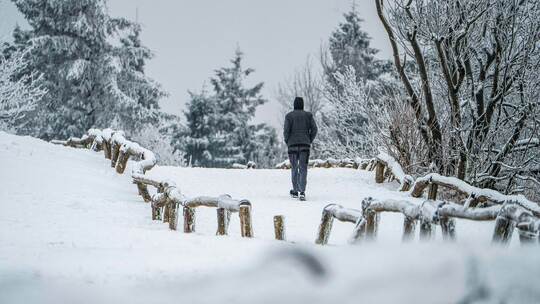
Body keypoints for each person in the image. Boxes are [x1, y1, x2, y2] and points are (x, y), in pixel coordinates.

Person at [283, 97, 318, 201]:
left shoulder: (289, 116)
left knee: (294, 167)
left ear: (294, 104)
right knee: (303, 168)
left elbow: (286, 131)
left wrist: (288, 142)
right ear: (302, 104)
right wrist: (309, 140)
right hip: (305, 145)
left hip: (292, 146)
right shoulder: (308, 115)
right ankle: (302, 191)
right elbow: (315, 129)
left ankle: (295, 191)